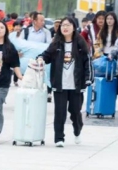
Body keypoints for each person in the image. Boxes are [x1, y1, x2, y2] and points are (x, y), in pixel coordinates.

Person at [37, 17, 92, 147]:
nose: (65, 27)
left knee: (75, 112)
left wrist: (89, 78)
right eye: (62, 25)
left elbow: (87, 62)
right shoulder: (56, 44)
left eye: (67, 25)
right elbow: (46, 55)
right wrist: (40, 59)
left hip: (76, 85)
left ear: (74, 27)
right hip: (59, 84)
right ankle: (59, 138)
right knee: (59, 112)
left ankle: (77, 130)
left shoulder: (80, 44)